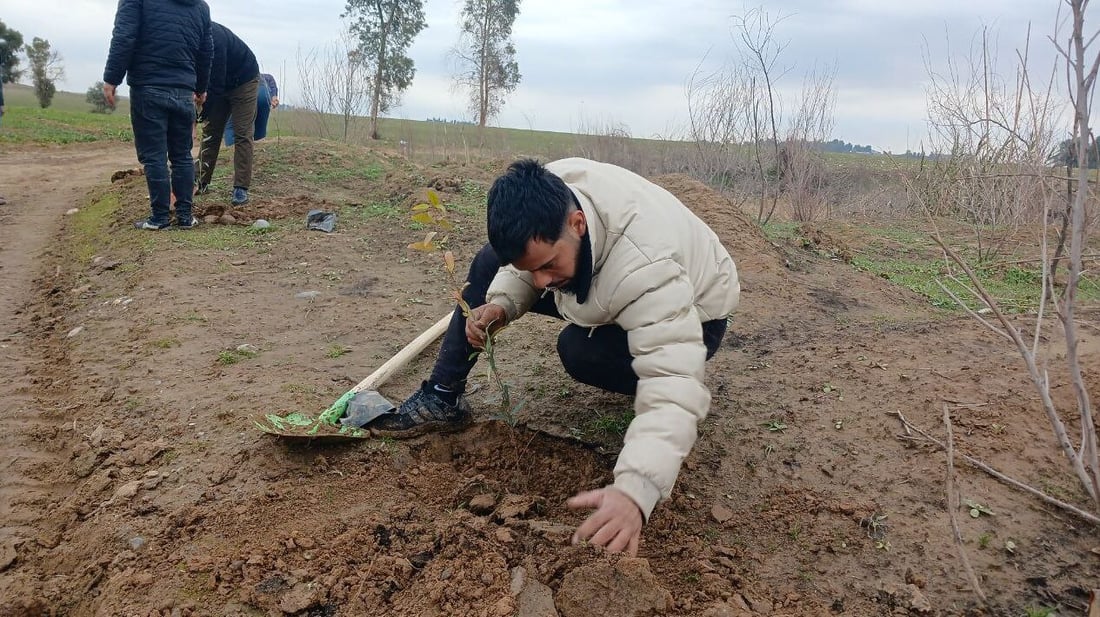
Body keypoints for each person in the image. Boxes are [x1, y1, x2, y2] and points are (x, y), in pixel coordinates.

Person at [363, 158, 740, 556]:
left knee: (581, 352)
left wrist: (637, 490)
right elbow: (528, 265)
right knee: (490, 263)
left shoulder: (646, 267)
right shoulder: (550, 191)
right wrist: (502, 305)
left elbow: (673, 380)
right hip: (607, 279)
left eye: (547, 266)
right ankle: (443, 396)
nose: (541, 282)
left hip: (696, 316)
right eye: (531, 270)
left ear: (578, 224)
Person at [102, 0, 213, 230]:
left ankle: (159, 218)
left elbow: (124, 35)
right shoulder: (200, 7)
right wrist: (201, 87)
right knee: (182, 155)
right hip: (184, 90)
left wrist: (112, 77)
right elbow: (206, 51)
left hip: (148, 86)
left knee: (154, 156)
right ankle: (184, 216)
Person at [196, 22, 259, 206]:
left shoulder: (215, 37)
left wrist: (200, 116)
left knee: (242, 133)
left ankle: (241, 188)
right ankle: (200, 181)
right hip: (219, 83)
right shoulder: (189, 38)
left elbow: (215, 82)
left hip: (244, 80)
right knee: (211, 132)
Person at [224, 72, 278, 146]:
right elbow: (270, 78)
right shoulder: (259, 73)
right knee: (259, 133)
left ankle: (232, 152)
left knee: (230, 126)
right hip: (263, 92)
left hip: (244, 90)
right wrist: (274, 96)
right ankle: (258, 153)